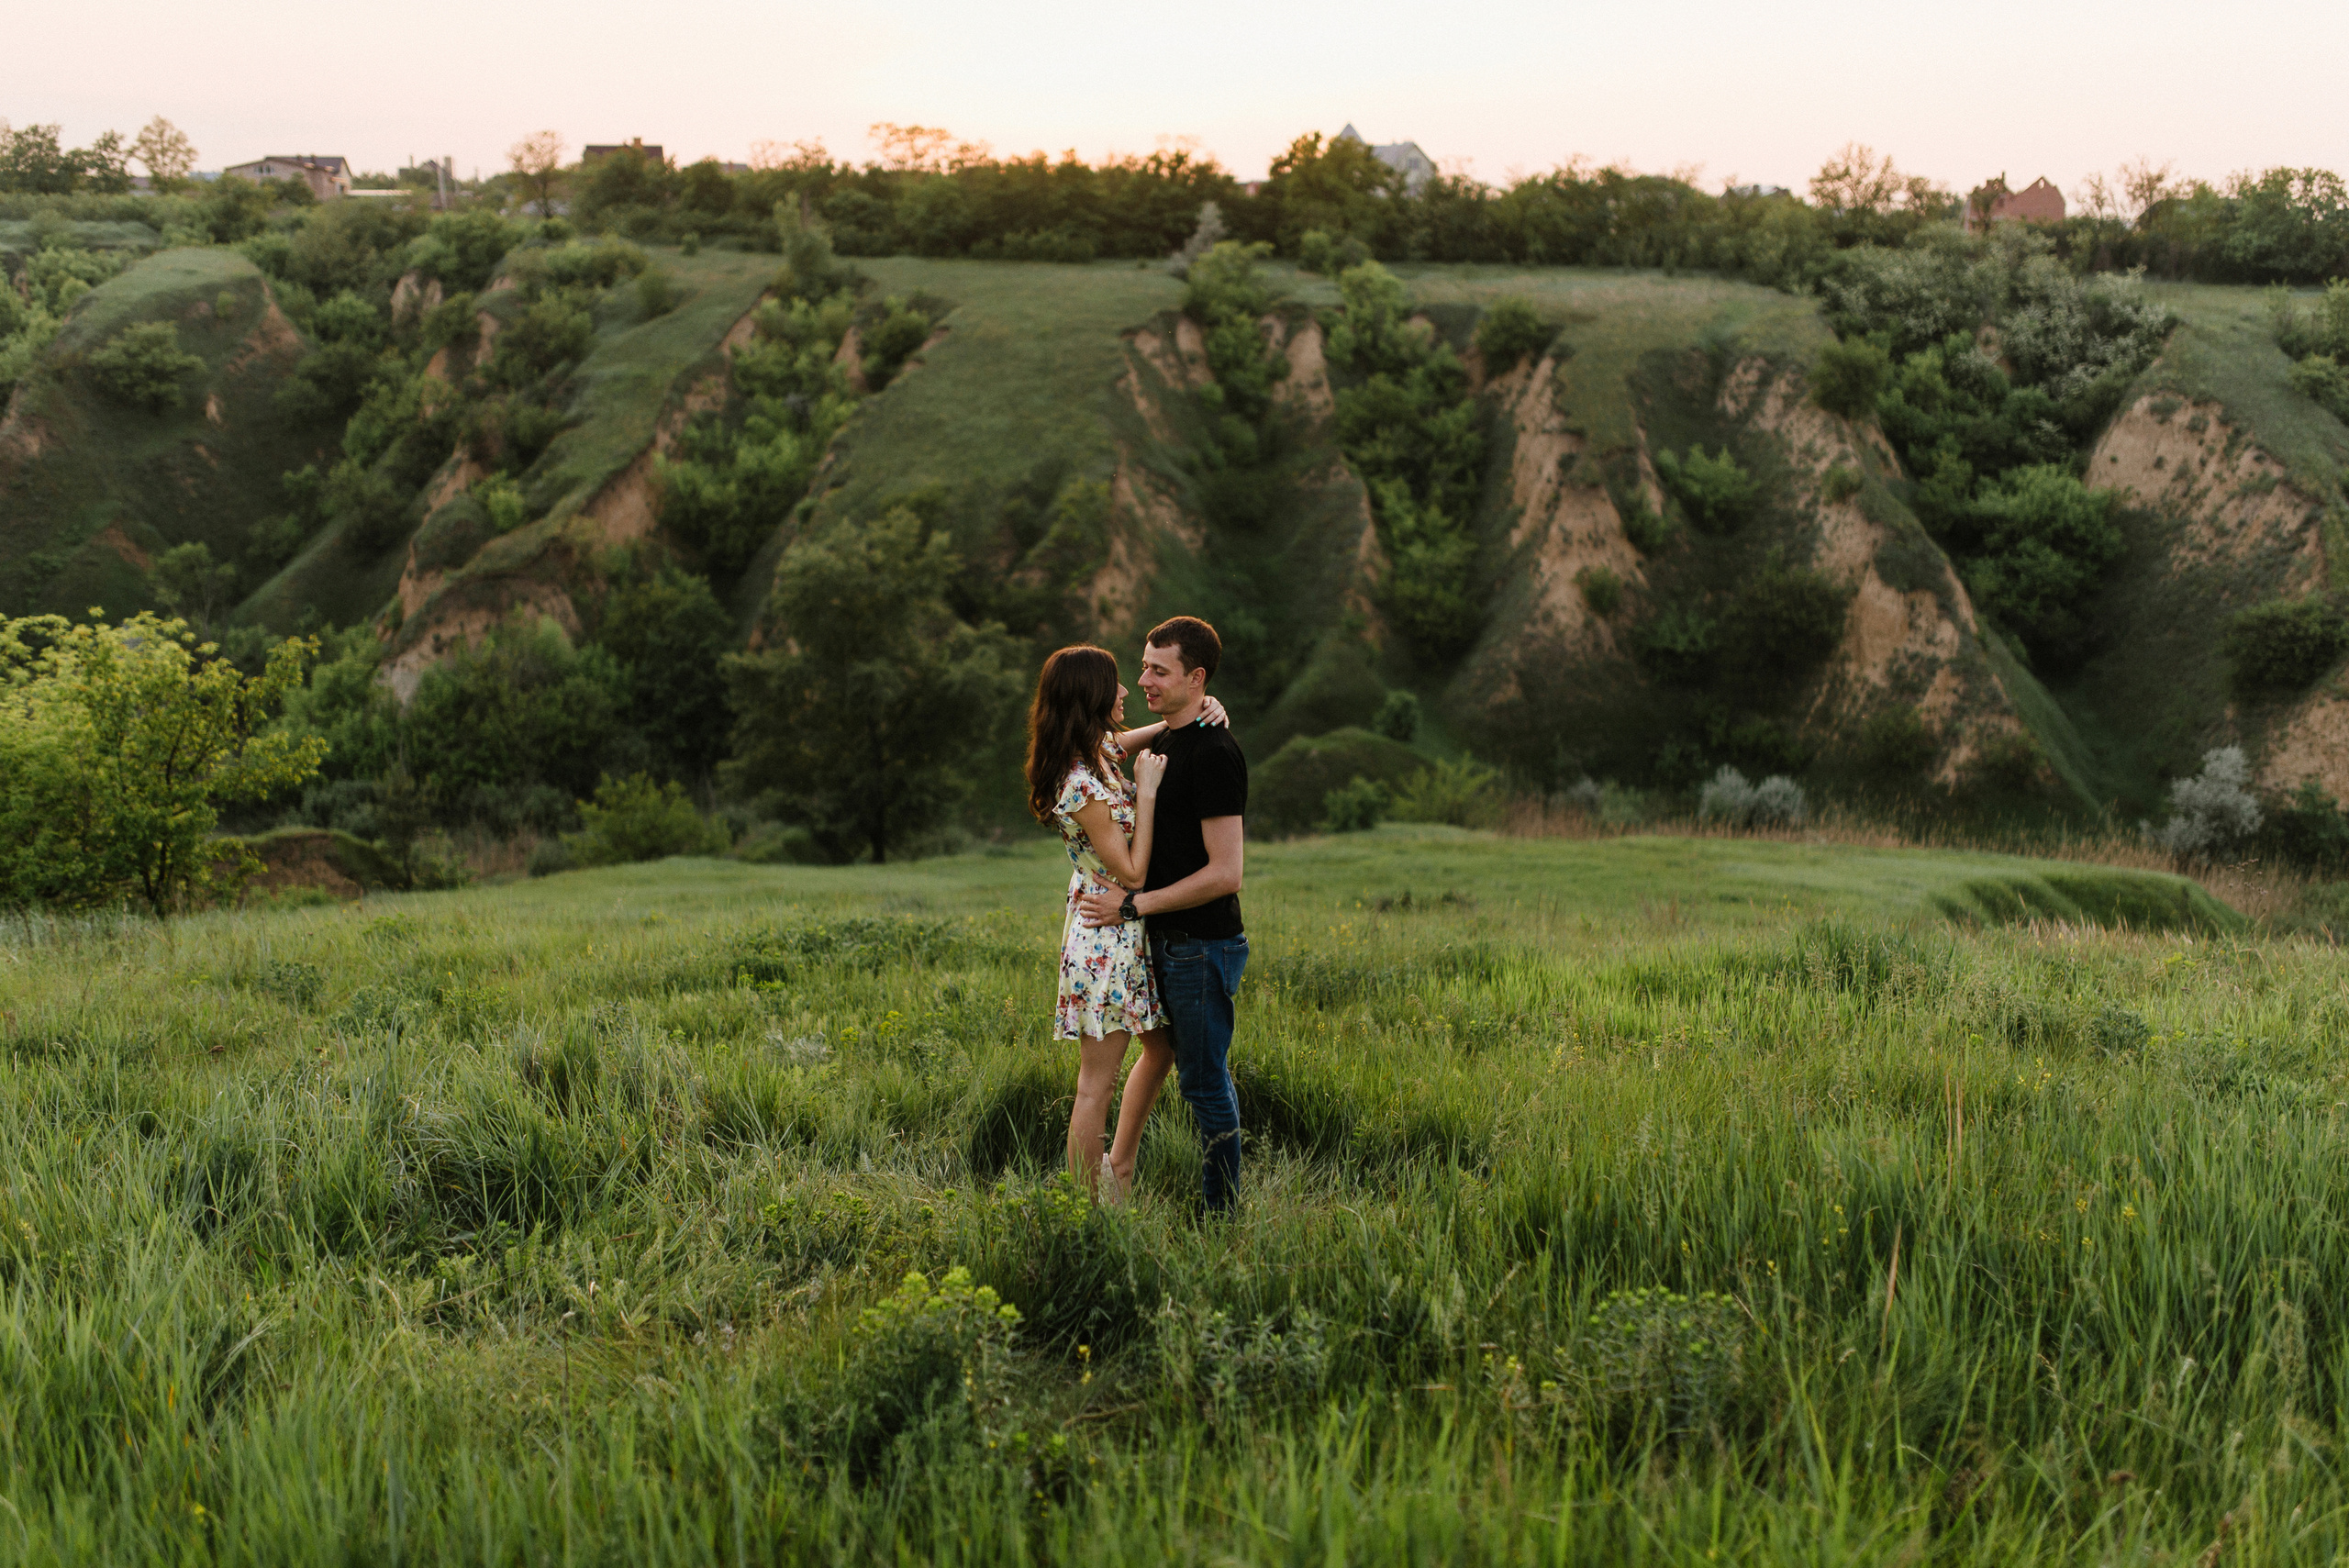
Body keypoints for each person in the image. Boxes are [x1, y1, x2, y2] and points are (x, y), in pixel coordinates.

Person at [1024, 644, 1229, 1203]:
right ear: (1090, 697)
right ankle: (1088, 1208)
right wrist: (1149, 793)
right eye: (1115, 684)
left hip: (1123, 933)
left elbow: (1146, 736)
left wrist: (1204, 705)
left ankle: (1119, 1168)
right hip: (1104, 937)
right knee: (1096, 1084)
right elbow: (1135, 873)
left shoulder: (1096, 753)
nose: (1126, 691)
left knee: (1160, 1049)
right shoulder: (1083, 784)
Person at [1078, 616, 1247, 1214]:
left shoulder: (1215, 753)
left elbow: (1227, 873)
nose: (1143, 678)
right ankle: (1118, 1167)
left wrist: (1134, 903)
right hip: (1164, 942)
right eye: (1143, 665)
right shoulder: (1170, 738)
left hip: (1201, 945)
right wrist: (1190, 709)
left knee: (1204, 1084)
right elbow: (1097, 747)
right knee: (1172, 1058)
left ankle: (1221, 1217)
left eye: (1159, 669)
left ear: (1195, 676)